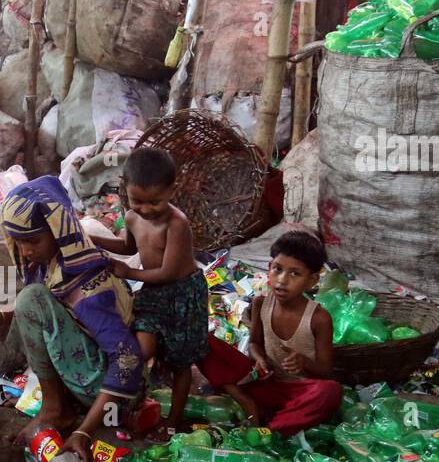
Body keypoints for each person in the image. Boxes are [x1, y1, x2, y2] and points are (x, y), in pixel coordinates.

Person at [0, 176, 145, 462]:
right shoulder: (55, 264)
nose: (25, 251)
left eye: (33, 241)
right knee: (32, 299)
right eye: (19, 242)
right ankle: (60, 405)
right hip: (91, 379)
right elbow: (49, 316)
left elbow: (127, 360)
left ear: (57, 232)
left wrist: (84, 433)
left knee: (30, 297)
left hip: (114, 394)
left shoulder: (86, 284)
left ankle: (55, 408)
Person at [88, 147, 208, 435]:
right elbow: (130, 247)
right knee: (140, 349)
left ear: (172, 190)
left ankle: (174, 419)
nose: (146, 208)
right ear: (123, 189)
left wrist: (129, 272)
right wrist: (93, 239)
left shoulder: (176, 224)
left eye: (155, 201)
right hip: (154, 292)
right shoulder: (131, 217)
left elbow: (168, 272)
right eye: (137, 200)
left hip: (182, 294)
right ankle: (133, 400)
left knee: (181, 362)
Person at [219, 230, 342, 435]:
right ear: (269, 268)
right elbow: (254, 343)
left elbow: (325, 371)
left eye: (295, 273)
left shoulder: (319, 319)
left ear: (312, 281)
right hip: (267, 384)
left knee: (330, 391)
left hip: (300, 390)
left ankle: (272, 431)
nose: (282, 280)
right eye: (277, 269)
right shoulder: (261, 303)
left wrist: (304, 362)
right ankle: (252, 405)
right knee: (209, 346)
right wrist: (259, 359)